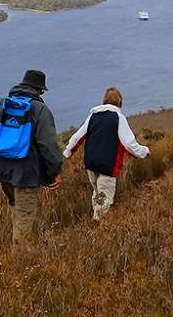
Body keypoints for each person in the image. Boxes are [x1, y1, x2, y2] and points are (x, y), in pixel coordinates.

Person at [0, 69, 63, 244]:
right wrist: (55, 172)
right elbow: (48, 146)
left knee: (16, 213)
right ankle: (21, 265)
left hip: (2, 172)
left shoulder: (2, 104)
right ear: (40, 90)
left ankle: (17, 257)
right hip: (27, 175)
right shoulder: (40, 110)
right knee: (24, 223)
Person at [63, 87, 150, 220]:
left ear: (104, 100)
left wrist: (67, 153)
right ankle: (97, 227)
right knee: (104, 199)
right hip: (107, 166)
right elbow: (129, 145)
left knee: (98, 193)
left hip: (91, 164)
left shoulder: (93, 116)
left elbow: (77, 137)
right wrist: (144, 152)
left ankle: (94, 221)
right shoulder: (118, 118)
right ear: (120, 102)